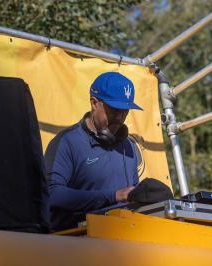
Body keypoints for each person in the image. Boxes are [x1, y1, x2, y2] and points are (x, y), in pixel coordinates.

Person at [44, 72, 143, 231]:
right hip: (76, 243)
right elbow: (51, 194)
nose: (120, 117)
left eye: (125, 111)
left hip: (122, 241)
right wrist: (114, 196)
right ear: (94, 103)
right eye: (115, 110)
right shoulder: (67, 142)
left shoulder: (129, 147)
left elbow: (131, 196)